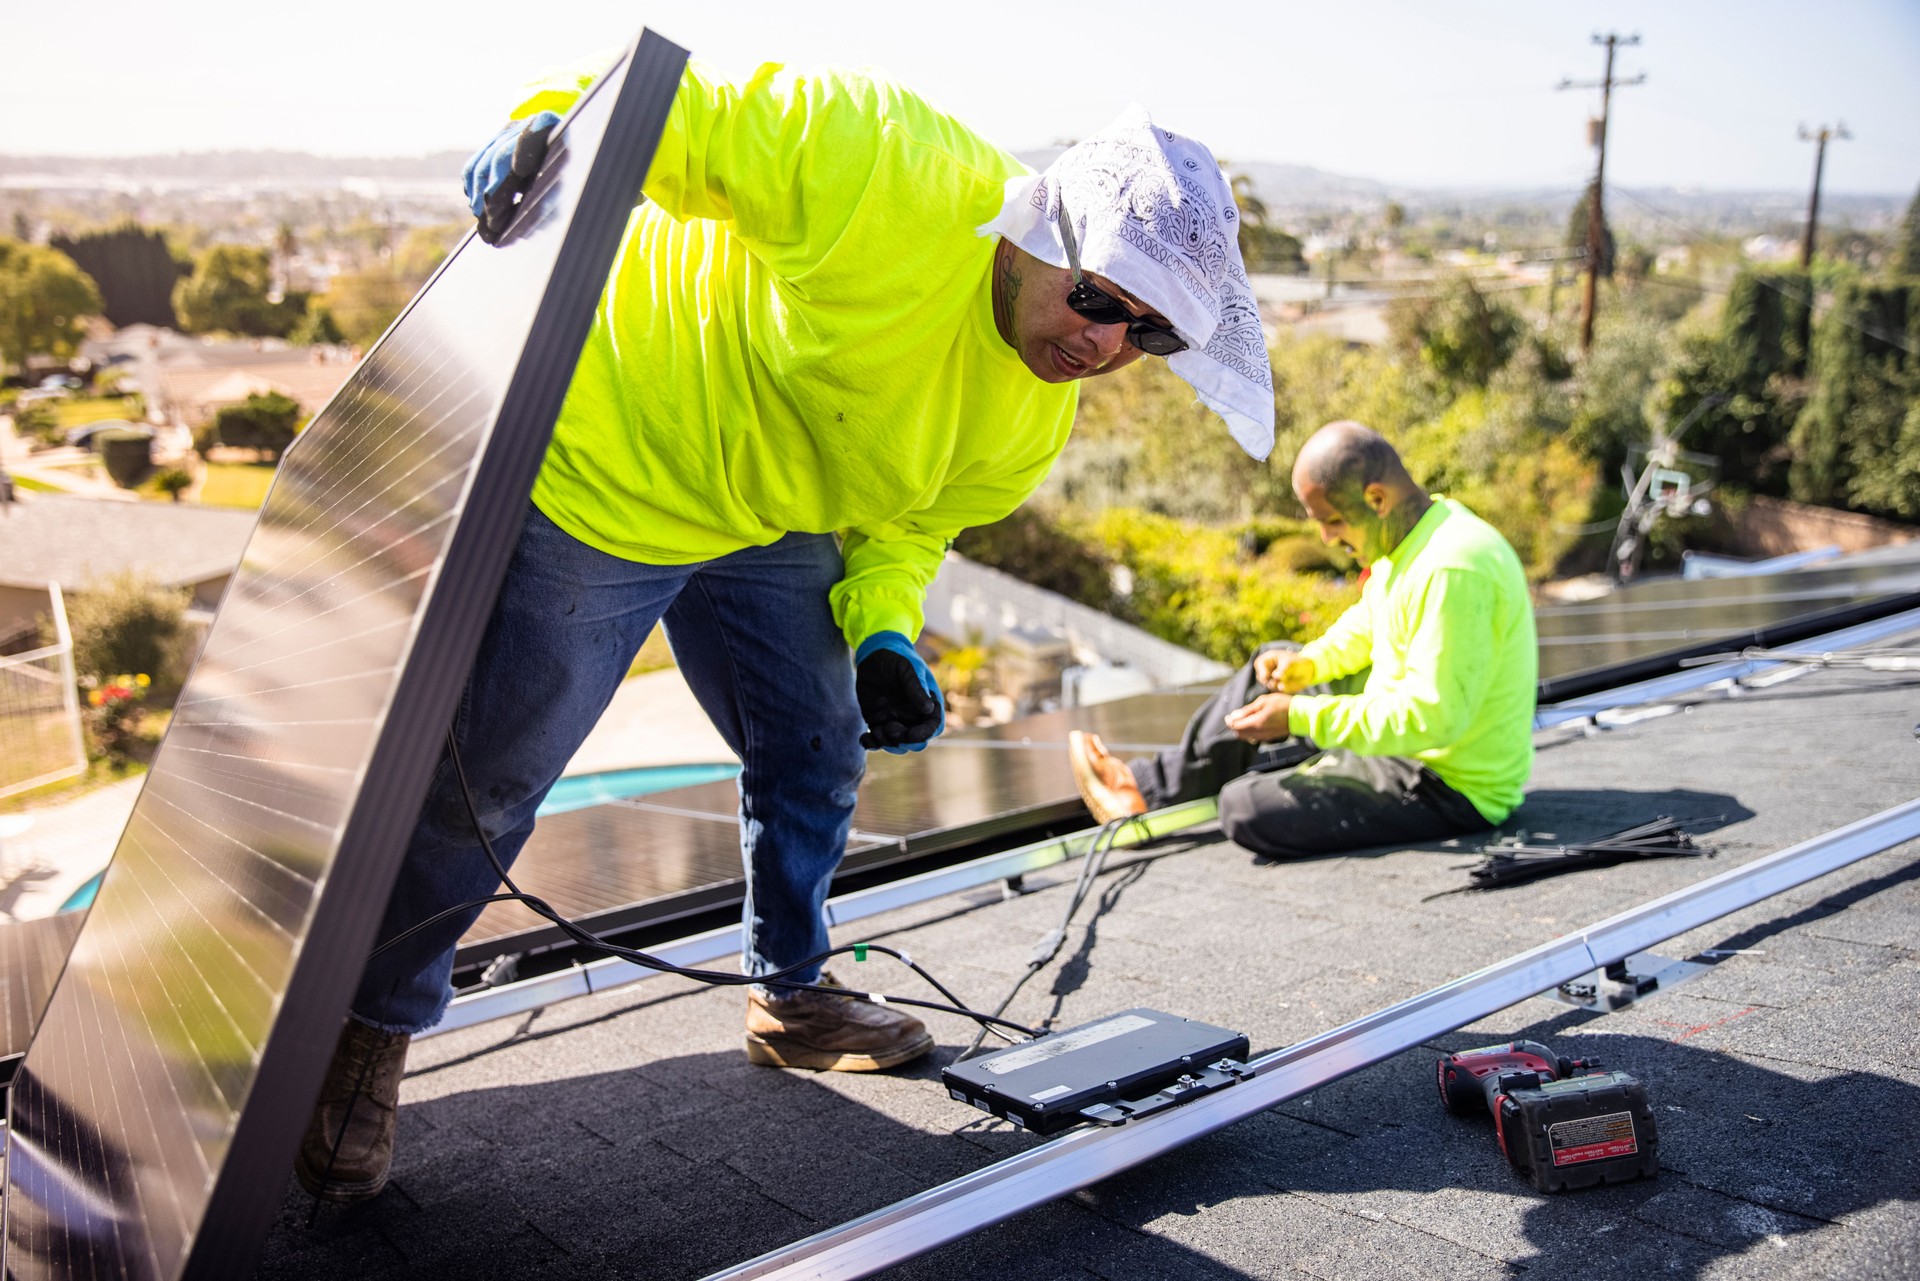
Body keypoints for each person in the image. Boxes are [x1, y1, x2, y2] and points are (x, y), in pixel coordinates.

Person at [296, 52, 1273, 1203]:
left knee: (817, 748)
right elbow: (672, 118)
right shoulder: (888, 168)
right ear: (1037, 230)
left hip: (775, 512)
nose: (1103, 346)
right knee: (499, 773)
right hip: (621, 457)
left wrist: (883, 638)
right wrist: (546, 129)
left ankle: (790, 994)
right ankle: (370, 1027)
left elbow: (906, 531)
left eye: (1147, 336)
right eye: (1100, 298)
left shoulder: (1031, 419)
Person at [1070, 421, 1536, 860]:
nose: (1325, 537)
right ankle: (1142, 789)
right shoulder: (1416, 536)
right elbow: (1369, 625)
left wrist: (1300, 716)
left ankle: (1325, 766)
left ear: (1376, 498)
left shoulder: (1454, 568)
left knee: (1243, 808)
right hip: (1408, 736)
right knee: (1268, 668)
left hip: (1446, 783)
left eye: (1331, 521)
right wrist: (1307, 668)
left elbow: (1433, 719)